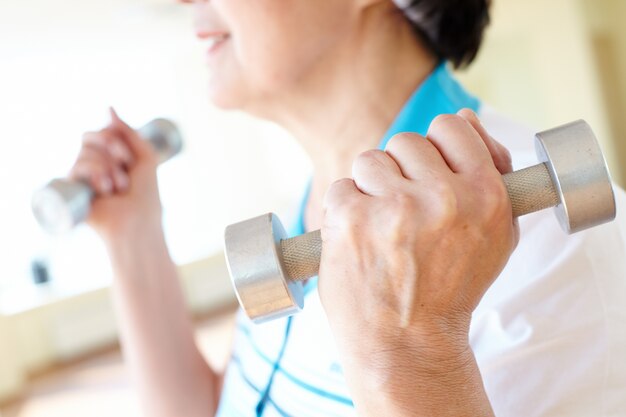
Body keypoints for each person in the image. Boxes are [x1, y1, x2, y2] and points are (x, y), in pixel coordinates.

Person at [69, 0, 626, 416]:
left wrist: (411, 347)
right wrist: (133, 238)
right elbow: (230, 404)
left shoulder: (556, 244)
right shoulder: (314, 201)